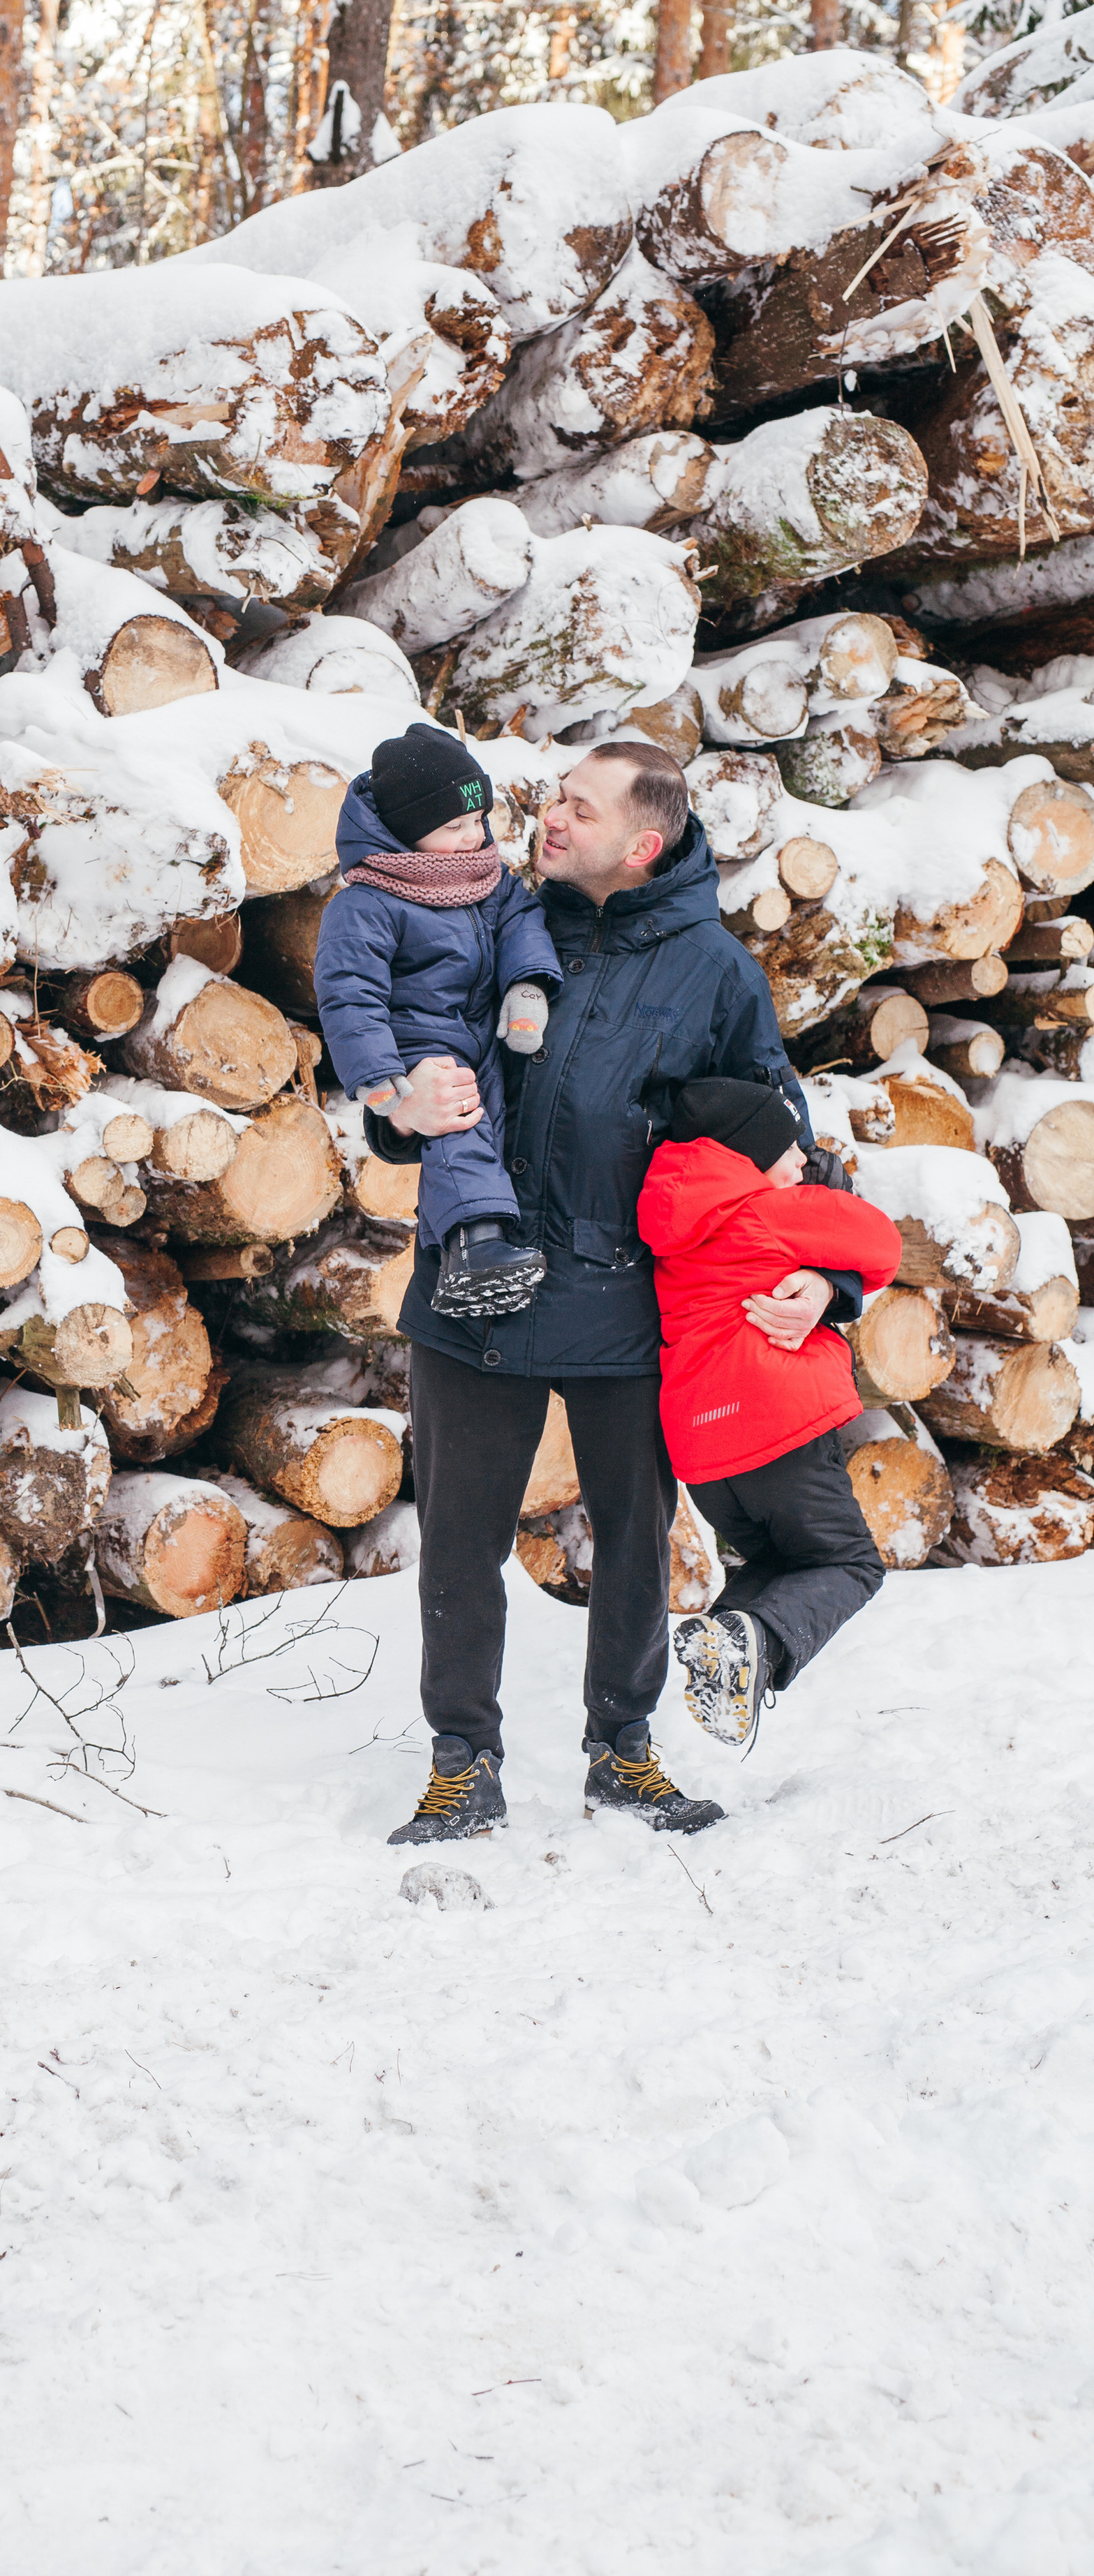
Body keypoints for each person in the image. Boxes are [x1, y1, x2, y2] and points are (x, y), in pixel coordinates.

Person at [371, 738, 868, 1847]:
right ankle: (464, 1760)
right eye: (552, 796)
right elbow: (400, 1054)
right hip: (473, 1287)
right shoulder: (490, 917)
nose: (549, 817)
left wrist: (825, 1275)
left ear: (642, 844)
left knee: (636, 1541)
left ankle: (623, 1752)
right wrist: (395, 1105)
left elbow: (790, 1150)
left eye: (576, 808)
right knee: (458, 1545)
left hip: (629, 1306)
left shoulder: (716, 974)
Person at [637, 1078, 901, 1746]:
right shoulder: (769, 1209)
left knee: (779, 1567)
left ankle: (724, 1654)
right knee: (849, 1564)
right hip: (778, 1430)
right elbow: (882, 1246)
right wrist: (821, 1202)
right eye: (788, 1149)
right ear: (748, 1154)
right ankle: (746, 1640)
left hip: (706, 1457)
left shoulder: (671, 1228)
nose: (799, 1161)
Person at [313, 726, 562, 1318]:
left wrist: (528, 986)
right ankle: (474, 1245)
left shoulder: (487, 877)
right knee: (458, 1116)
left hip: (484, 1027)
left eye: (479, 821)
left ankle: (491, 1242)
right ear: (406, 831)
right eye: (453, 827)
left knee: (505, 1114)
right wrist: (378, 1079)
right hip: (422, 1043)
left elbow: (522, 922)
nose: (473, 837)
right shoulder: (367, 903)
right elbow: (349, 994)